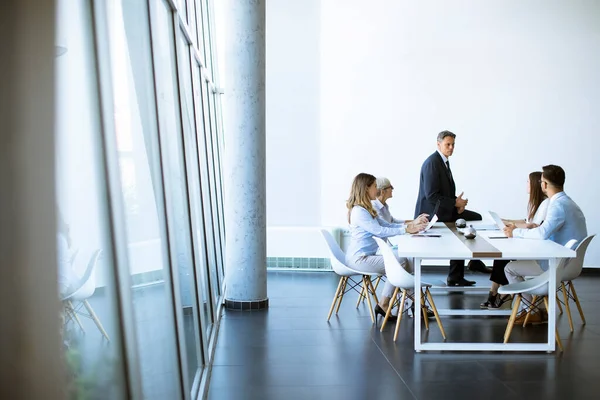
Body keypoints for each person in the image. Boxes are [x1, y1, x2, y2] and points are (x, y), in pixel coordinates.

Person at [503, 165, 587, 323]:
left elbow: (542, 234)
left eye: (541, 181)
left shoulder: (557, 205)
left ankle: (531, 311)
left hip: (558, 265)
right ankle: (538, 309)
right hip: (570, 263)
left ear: (545, 184)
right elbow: (547, 230)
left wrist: (515, 232)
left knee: (510, 268)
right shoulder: (568, 202)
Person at [345, 173, 429, 321]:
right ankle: (405, 303)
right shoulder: (359, 211)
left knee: (403, 260)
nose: (377, 190)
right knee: (398, 262)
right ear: (366, 189)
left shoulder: (367, 208)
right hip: (359, 259)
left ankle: (412, 303)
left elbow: (388, 225)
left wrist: (411, 225)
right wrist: (406, 229)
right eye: (374, 187)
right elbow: (379, 231)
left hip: (367, 256)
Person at [414, 130, 485, 286]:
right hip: (432, 214)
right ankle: (468, 267)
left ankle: (461, 271)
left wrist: (456, 204)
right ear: (438, 144)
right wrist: (454, 204)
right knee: (465, 222)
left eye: (453, 144)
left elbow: (441, 193)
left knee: (473, 218)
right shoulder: (433, 163)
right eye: (448, 144)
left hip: (443, 209)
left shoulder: (443, 161)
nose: (451, 147)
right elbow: (432, 195)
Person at [480, 171, 549, 309]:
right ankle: (497, 293)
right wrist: (505, 221)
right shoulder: (535, 204)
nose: (526, 184)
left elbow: (532, 226)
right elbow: (527, 222)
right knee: (502, 255)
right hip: (530, 244)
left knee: (503, 256)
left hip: (535, 252)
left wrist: (511, 225)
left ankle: (498, 294)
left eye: (528, 181)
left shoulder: (544, 205)